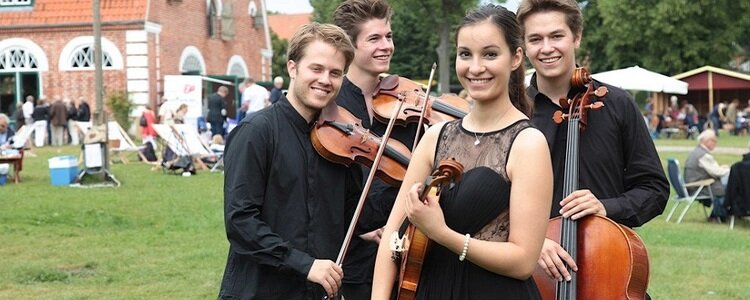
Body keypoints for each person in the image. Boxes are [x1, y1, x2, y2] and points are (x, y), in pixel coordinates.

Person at [372, 4, 553, 299]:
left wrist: (442, 234)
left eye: (490, 54)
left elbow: (523, 262)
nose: (475, 67)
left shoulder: (528, 143)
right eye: (465, 54)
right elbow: (392, 236)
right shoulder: (434, 137)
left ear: (515, 58)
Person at [517, 0, 669, 286]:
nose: (546, 48)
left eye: (557, 36)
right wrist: (531, 241)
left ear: (576, 37)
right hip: (532, 279)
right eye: (535, 39)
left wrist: (606, 207)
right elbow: (491, 203)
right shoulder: (514, 112)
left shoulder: (617, 104)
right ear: (524, 47)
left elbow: (654, 189)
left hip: (605, 268)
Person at [218, 22, 358, 300]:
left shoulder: (341, 142)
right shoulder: (256, 132)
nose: (326, 80)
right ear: (293, 68)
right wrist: (305, 265)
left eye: (335, 73)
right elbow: (240, 221)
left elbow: (352, 213)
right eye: (316, 69)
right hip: (260, 291)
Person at [332, 1, 421, 298]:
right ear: (350, 46)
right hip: (354, 255)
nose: (386, 46)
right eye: (374, 39)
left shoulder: (409, 103)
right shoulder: (331, 107)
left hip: (410, 247)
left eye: (389, 36)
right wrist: (359, 227)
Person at [685, 130, 730, 222]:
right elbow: (717, 172)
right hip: (699, 187)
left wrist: (723, 168)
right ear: (707, 141)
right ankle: (719, 216)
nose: (715, 143)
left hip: (693, 185)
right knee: (729, 188)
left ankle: (716, 216)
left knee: (723, 186)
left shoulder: (696, 151)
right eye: (714, 140)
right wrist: (730, 170)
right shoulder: (703, 155)